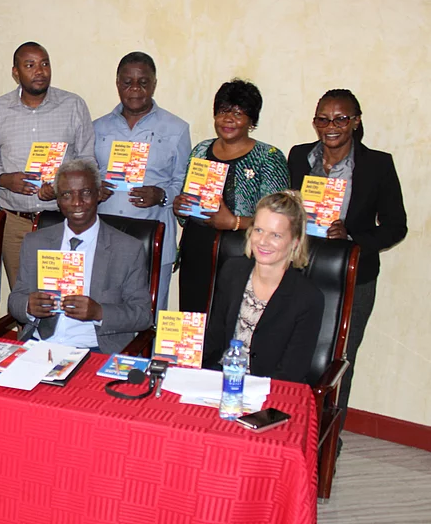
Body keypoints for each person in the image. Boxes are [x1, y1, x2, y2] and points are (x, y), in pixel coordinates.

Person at [288, 89, 407, 420]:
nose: (331, 126)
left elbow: (396, 226)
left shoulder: (378, 165)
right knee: (296, 352)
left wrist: (352, 236)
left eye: (341, 118)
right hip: (302, 274)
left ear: (356, 121)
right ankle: (296, 428)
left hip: (353, 278)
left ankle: (329, 442)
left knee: (338, 362)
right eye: (323, 119)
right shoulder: (299, 157)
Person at [0, 41, 95, 288]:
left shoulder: (73, 105)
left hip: (61, 219)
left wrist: (61, 188)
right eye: (30, 65)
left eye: (44, 63)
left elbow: (87, 162)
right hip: (15, 222)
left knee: (63, 293)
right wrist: (5, 179)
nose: (40, 71)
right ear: (15, 72)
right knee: (22, 296)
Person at [8, 159, 151, 354]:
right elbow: (15, 300)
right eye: (67, 195)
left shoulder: (127, 249)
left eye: (85, 193)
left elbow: (142, 315)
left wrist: (99, 312)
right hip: (39, 345)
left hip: (94, 348)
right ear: (57, 199)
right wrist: (28, 306)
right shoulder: (35, 242)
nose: (77, 202)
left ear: (99, 194)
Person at [173, 79, 289, 313]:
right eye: (223, 111)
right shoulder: (200, 150)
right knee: (193, 323)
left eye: (238, 113)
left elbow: (280, 222)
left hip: (243, 258)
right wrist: (181, 206)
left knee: (231, 325)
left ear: (252, 121)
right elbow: (186, 216)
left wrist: (234, 223)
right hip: (197, 255)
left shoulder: (269, 157)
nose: (228, 119)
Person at [94, 51, 191, 312]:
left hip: (153, 236)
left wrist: (162, 195)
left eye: (143, 82)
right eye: (127, 82)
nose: (135, 89)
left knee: (148, 315)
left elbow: (183, 181)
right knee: (106, 313)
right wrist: (95, 190)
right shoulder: (97, 127)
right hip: (106, 236)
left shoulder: (177, 128)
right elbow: (87, 174)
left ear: (154, 84)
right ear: (117, 84)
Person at [202, 191, 324, 383]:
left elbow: (292, 372)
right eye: (259, 230)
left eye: (275, 235)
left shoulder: (308, 298)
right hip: (221, 381)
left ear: (295, 242)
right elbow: (214, 338)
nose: (263, 241)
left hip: (270, 392)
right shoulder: (232, 271)